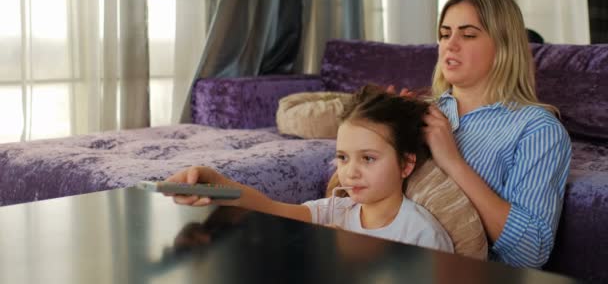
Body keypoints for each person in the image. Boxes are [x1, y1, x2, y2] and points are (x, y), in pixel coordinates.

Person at [390, 0, 571, 268]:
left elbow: (530, 253)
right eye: (445, 34)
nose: (451, 44)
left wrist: (452, 160)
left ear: (504, 46)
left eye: (469, 34)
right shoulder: (421, 109)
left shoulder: (537, 129)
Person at [165, 85, 454, 253]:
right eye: (343, 157)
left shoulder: (422, 235)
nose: (350, 172)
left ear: (405, 164)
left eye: (367, 158)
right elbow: (269, 207)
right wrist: (214, 181)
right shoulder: (336, 210)